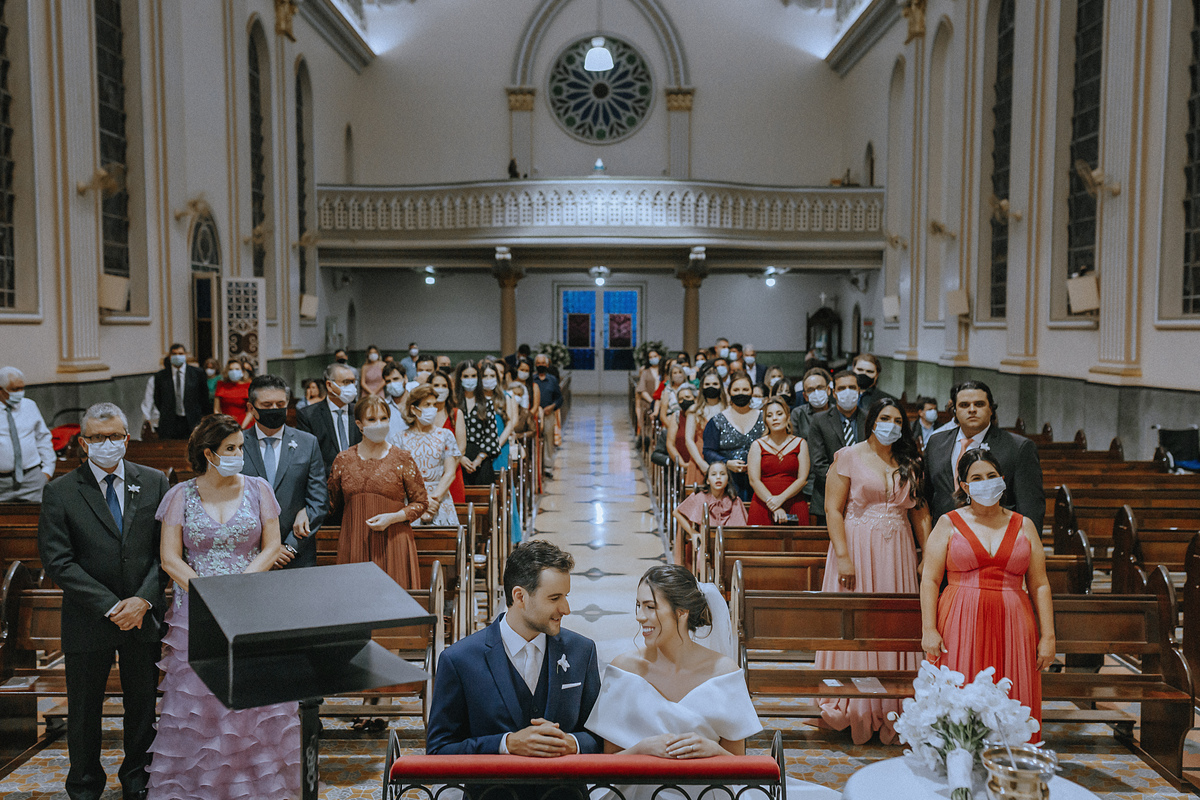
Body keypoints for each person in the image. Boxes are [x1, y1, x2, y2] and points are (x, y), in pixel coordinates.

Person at [585, 566, 836, 800]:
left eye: (650, 607)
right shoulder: (624, 669)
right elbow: (609, 764)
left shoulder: (723, 672)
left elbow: (739, 768)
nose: (640, 617)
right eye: (638, 605)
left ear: (682, 612)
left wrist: (712, 751)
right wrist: (642, 748)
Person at [149, 414, 298, 799]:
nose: (239, 454)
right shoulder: (180, 495)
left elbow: (272, 545)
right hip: (196, 608)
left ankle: (258, 786)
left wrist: (243, 583)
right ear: (208, 453)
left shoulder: (258, 488)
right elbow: (169, 557)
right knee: (199, 702)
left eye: (240, 447)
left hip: (251, 603)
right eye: (231, 448)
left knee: (253, 700)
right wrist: (207, 591)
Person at [38, 403, 170, 800]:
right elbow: (58, 560)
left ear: (127, 439)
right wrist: (113, 606)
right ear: (83, 443)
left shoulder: (154, 482)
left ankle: (137, 781)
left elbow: (165, 553)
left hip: (142, 616)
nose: (106, 443)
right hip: (89, 617)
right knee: (83, 711)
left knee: (143, 707)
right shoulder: (60, 490)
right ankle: (84, 786)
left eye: (114, 436)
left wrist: (143, 601)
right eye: (97, 437)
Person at [815, 398, 931, 745]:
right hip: (857, 545)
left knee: (893, 623)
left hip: (897, 549)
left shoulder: (910, 461)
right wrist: (844, 556)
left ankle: (892, 701)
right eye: (884, 418)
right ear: (872, 421)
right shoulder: (848, 456)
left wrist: (925, 553)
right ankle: (855, 704)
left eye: (897, 420)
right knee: (859, 623)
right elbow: (832, 510)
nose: (891, 425)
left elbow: (920, 511)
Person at [426, 540, 603, 764]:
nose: (565, 609)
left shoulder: (582, 651)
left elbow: (600, 738)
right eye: (554, 598)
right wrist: (505, 744)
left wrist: (573, 744)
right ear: (519, 597)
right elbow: (439, 750)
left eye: (565, 596)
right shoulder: (459, 660)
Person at [920, 449, 1055, 742]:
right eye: (977, 478)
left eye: (992, 476)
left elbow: (1040, 584)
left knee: (1012, 691)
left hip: (1014, 622)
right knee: (960, 690)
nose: (986, 482)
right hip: (960, 619)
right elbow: (930, 579)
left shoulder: (1024, 525)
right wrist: (928, 628)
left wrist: (1049, 636)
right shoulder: (948, 523)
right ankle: (957, 762)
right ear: (965, 487)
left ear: (1003, 480)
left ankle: (1010, 763)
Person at [326, 396, 428, 589]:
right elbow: (330, 504)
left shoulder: (402, 458)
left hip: (394, 540)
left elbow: (421, 503)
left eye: (383, 418)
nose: (379, 424)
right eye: (372, 420)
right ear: (359, 424)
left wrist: (393, 517)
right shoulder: (343, 459)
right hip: (354, 540)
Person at [923, 380, 1046, 531]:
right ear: (954, 410)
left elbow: (1030, 507)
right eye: (964, 405)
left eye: (979, 404)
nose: (972, 410)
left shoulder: (1018, 447)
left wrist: (1029, 545)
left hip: (996, 535)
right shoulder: (936, 443)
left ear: (991, 409)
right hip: (944, 534)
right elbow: (927, 497)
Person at [240, 375, 328, 569]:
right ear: (251, 408)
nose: (274, 409)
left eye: (280, 404)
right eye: (267, 404)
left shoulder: (307, 443)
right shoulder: (236, 445)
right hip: (249, 556)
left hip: (297, 555)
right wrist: (267, 550)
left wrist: (289, 547)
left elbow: (318, 502)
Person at [396, 385, 461, 526]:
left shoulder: (445, 435)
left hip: (439, 500)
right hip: (412, 501)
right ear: (414, 409)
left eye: (434, 404)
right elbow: (399, 476)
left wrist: (434, 500)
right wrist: (423, 500)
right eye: (427, 405)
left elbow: (450, 473)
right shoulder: (400, 438)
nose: (432, 408)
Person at [807, 370, 866, 524]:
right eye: (841, 388)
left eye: (852, 387)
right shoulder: (820, 421)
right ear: (834, 393)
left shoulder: (869, 419)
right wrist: (845, 486)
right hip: (828, 498)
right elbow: (819, 464)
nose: (847, 392)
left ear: (859, 390)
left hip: (865, 498)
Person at [747, 398, 810, 525]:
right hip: (763, 504)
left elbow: (802, 479)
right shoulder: (757, 445)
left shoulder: (800, 443)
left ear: (787, 417)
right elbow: (754, 480)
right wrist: (773, 504)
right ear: (765, 421)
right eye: (769, 415)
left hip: (794, 502)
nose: (775, 418)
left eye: (779, 414)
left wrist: (780, 499)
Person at [702, 372, 763, 502]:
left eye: (745, 389)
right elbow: (708, 451)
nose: (741, 393)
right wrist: (727, 463)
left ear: (752, 391)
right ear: (729, 392)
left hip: (761, 480)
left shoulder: (764, 418)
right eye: (736, 390)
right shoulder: (717, 420)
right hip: (728, 482)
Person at [672, 461, 747, 565]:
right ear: (707, 480)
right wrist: (693, 532)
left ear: (728, 479)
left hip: (730, 545)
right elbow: (676, 512)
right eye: (713, 474)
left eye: (722, 474)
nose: (718, 477)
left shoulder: (734, 500)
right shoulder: (700, 496)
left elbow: (741, 530)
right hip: (707, 546)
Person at [296, 362, 362, 477]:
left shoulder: (360, 411)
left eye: (353, 382)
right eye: (346, 382)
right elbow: (308, 457)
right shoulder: (309, 415)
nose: (352, 387)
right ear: (329, 385)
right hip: (325, 481)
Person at [0, 366, 55, 502]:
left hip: (33, 480)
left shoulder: (29, 406)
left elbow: (43, 438)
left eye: (22, 388)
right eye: (14, 389)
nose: (20, 393)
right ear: (1, 390)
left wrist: (47, 471)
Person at [142, 344, 208, 440]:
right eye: (174, 354)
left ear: (185, 355)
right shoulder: (161, 376)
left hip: (192, 421)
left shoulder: (197, 373)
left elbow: (203, 397)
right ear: (170, 356)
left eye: (180, 353)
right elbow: (158, 399)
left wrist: (201, 417)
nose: (178, 356)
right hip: (169, 422)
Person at [683, 369, 726, 486]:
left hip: (722, 456)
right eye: (707, 384)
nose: (711, 387)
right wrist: (701, 463)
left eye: (715, 384)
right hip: (699, 457)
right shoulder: (694, 410)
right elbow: (689, 439)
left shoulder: (728, 409)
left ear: (720, 387)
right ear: (702, 387)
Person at [430, 370, 467, 504]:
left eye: (444, 386)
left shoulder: (456, 414)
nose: (440, 390)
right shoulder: (424, 415)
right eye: (436, 385)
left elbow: (461, 449)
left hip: (452, 474)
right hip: (428, 475)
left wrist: (445, 474)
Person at [533, 353, 563, 478]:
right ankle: (535, 466)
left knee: (548, 439)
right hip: (535, 414)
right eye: (538, 363)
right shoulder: (532, 380)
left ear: (547, 364)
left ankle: (548, 466)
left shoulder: (552, 380)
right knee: (535, 440)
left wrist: (552, 407)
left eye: (543, 363)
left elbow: (559, 398)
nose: (541, 365)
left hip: (548, 413)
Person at [664, 384, 697, 473]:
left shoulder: (702, 415)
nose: (684, 401)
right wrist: (682, 464)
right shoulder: (677, 416)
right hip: (682, 464)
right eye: (681, 399)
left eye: (687, 397)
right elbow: (670, 444)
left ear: (695, 398)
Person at [212, 359, 253, 429]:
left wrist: (242, 427)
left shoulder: (248, 386)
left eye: (237, 369)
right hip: (225, 425)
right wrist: (222, 424)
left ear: (242, 371)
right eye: (231, 369)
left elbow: (251, 411)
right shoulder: (221, 385)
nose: (234, 371)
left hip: (244, 425)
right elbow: (216, 410)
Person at [635, 349, 662, 437]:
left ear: (659, 357)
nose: (653, 359)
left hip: (662, 403)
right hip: (649, 403)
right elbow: (641, 389)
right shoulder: (645, 372)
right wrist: (653, 402)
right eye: (650, 357)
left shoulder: (663, 371)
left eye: (655, 356)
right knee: (649, 430)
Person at [381, 362, 410, 439]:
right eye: (388, 381)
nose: (392, 384)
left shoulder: (417, 402)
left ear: (405, 379)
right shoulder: (383, 406)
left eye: (396, 379)